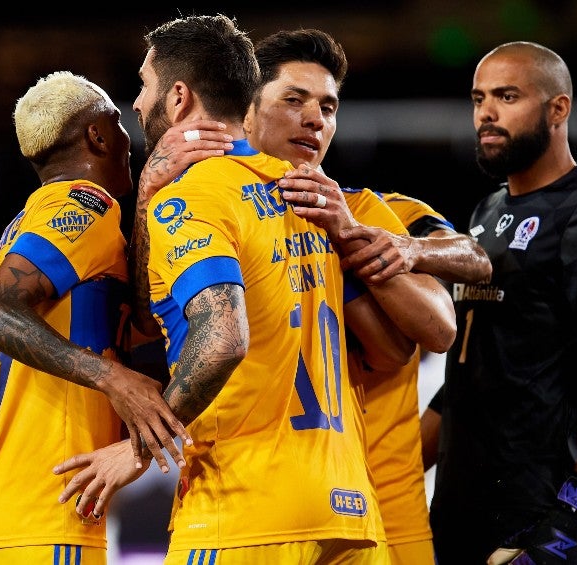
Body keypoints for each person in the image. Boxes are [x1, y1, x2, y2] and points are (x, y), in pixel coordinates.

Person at [54, 14, 456, 564]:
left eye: (144, 86)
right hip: (349, 509)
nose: (138, 102)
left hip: (245, 506)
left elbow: (220, 336)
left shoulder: (196, 197)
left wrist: (139, 449)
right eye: (295, 100)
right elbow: (391, 351)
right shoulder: (312, 198)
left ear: (177, 97)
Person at [246, 29, 491, 565]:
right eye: (294, 99)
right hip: (259, 501)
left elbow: (459, 286)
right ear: (247, 107)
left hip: (384, 505)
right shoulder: (213, 210)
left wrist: (366, 240)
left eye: (328, 107)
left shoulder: (370, 211)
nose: (315, 118)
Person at [426, 41, 577, 565]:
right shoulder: (487, 210)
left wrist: (572, 517)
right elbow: (465, 381)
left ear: (559, 109)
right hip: (453, 510)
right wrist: (384, 472)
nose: (486, 112)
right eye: (479, 97)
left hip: (528, 517)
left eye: (507, 96)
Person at [0, 70, 193, 565]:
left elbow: (144, 322)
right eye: (117, 121)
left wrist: (148, 195)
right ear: (97, 135)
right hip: (45, 509)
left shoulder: (36, 221)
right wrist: (114, 379)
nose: (129, 133)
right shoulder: (82, 207)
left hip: (18, 509)